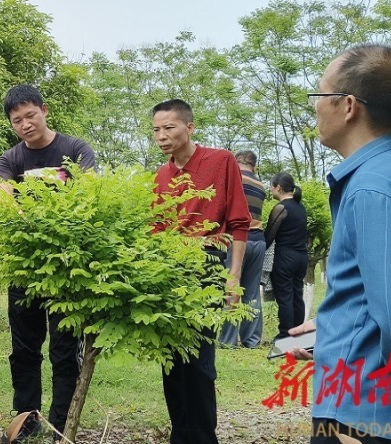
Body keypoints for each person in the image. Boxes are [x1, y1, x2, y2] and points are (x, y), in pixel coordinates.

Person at [287, 43, 391, 443]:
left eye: (318, 95)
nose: (314, 108)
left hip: (369, 413)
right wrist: (334, 324)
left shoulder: (371, 189)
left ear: (347, 106)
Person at [0, 84, 96, 440]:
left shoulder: (75, 149)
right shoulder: (11, 160)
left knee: (64, 351)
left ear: (44, 110)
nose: (25, 124)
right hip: (24, 270)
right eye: (17, 120)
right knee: (23, 349)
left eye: (30, 115)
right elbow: (5, 199)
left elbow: (89, 193)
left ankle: (59, 424)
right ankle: (27, 420)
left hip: (69, 271)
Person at [151, 99, 251, 444]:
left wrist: (233, 277)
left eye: (169, 128)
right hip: (168, 269)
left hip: (207, 263)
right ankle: (180, 435)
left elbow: (240, 222)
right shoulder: (162, 175)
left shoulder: (220, 161)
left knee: (199, 363)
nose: (161, 136)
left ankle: (204, 437)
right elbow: (156, 229)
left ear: (189, 127)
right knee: (171, 361)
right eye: (156, 130)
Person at [218, 150, 267, 348]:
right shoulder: (261, 185)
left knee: (231, 286)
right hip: (258, 240)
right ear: (254, 166)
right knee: (252, 292)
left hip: (238, 241)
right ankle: (252, 340)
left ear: (236, 162)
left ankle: (228, 340)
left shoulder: (235, 179)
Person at [264, 172, 308, 339]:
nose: (271, 190)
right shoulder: (300, 207)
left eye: (272, 186)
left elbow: (269, 237)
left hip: (285, 257)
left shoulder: (281, 208)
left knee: (285, 296)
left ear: (279, 188)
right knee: (297, 295)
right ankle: (299, 332)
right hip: (302, 257)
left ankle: (285, 334)